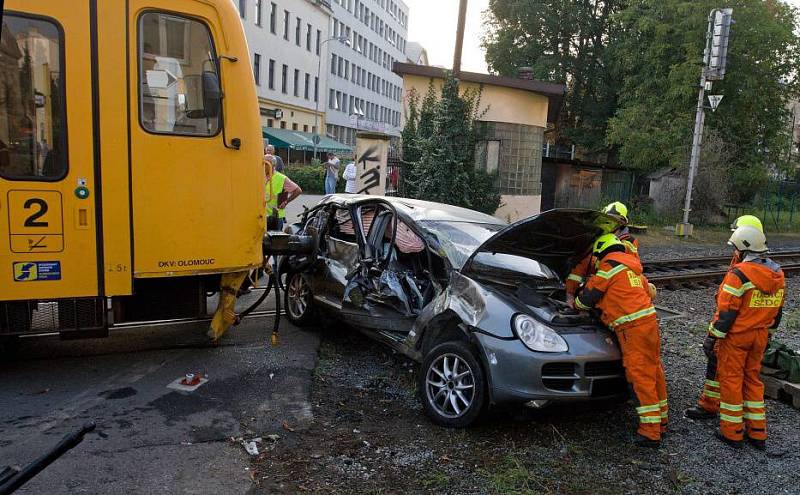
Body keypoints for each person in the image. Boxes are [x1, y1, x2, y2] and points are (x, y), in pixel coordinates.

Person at [685, 225, 783, 450]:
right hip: (760, 336)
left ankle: (732, 432)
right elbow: (777, 312)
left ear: (742, 250)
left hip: (737, 338)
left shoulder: (738, 275)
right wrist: (768, 334)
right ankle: (757, 433)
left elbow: (726, 313)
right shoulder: (777, 273)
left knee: (731, 381)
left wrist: (712, 338)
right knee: (752, 380)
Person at [575, 234, 667, 447]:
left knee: (639, 376)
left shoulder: (608, 269)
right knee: (654, 371)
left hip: (632, 329)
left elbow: (587, 299)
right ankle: (661, 420)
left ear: (601, 252)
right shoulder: (633, 269)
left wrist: (576, 302)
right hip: (650, 324)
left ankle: (650, 432)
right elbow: (647, 293)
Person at [687, 215, 765, 418]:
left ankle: (724, 417)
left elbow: (730, 306)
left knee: (727, 372)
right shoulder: (763, 266)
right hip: (750, 330)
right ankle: (750, 424)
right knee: (741, 373)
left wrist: (714, 335)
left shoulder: (746, 268)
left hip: (734, 330)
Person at [566, 202, 639, 307]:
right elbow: (580, 269)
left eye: (614, 220)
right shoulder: (599, 240)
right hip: (598, 288)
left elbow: (627, 268)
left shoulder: (629, 242)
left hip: (616, 291)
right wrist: (570, 293)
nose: (608, 224)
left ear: (622, 222)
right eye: (607, 220)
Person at [265, 154, 301, 231]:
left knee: (274, 241)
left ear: (272, 165)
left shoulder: (281, 178)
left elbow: (298, 190)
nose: (263, 166)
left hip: (275, 216)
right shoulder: (259, 175)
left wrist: (286, 201)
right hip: (261, 215)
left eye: (265, 164)